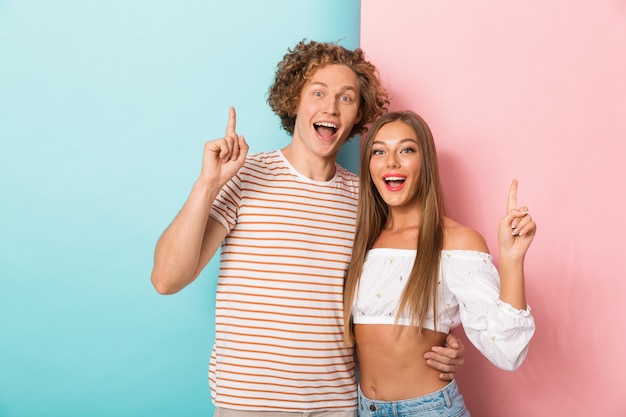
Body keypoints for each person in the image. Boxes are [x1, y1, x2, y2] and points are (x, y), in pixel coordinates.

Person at [151, 41, 465, 416]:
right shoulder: (245, 176)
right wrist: (207, 185)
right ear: (294, 101)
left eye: (346, 98)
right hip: (248, 407)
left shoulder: (368, 200)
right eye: (318, 92)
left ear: (357, 115)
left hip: (337, 408)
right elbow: (167, 279)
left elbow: (397, 289)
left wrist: (442, 343)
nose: (330, 107)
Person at [342, 110, 537, 416]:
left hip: (428, 409)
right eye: (379, 151)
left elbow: (506, 352)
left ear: (426, 163)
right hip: (364, 409)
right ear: (369, 165)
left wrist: (512, 259)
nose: (391, 161)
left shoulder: (456, 241)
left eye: (406, 150)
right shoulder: (362, 241)